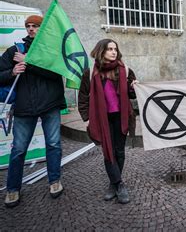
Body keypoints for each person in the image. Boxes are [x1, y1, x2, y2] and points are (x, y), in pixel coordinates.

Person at [1, 15, 66, 208]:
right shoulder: (14, 51)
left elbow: (56, 72)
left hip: (50, 105)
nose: (31, 29)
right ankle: (13, 189)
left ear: (41, 28)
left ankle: (54, 181)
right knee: (19, 149)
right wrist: (12, 72)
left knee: (53, 145)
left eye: (35, 26)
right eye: (28, 26)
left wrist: (28, 61)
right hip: (24, 107)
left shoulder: (51, 50)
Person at [78, 39, 137, 204]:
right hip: (102, 118)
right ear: (101, 51)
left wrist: (133, 86)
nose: (113, 52)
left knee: (119, 151)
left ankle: (113, 183)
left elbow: (132, 95)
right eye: (110, 49)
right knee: (108, 151)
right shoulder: (90, 73)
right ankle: (119, 184)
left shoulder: (125, 71)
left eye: (115, 49)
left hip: (122, 117)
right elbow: (83, 98)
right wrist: (86, 118)